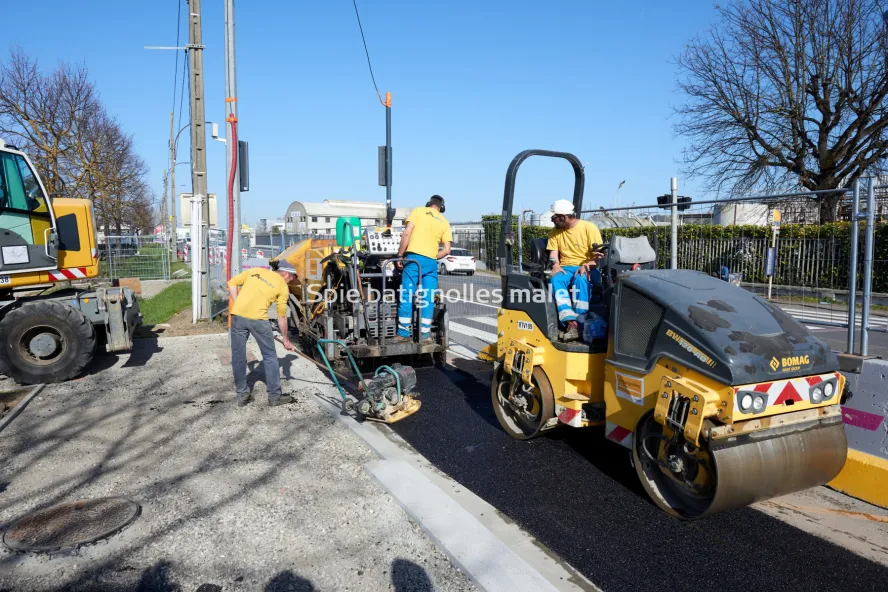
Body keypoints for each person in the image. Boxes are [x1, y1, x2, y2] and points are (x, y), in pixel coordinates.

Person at [227, 261, 298, 407]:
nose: (291, 281)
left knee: (238, 357)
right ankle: (274, 397)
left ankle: (242, 396)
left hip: (237, 317)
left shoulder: (256, 271)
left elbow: (232, 283)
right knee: (270, 357)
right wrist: (286, 340)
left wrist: (237, 302)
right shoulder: (282, 286)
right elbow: (282, 316)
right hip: (258, 320)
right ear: (285, 274)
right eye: (292, 278)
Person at [394, 195, 453, 343]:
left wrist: (400, 255)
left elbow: (407, 233)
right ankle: (425, 335)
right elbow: (447, 250)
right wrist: (432, 256)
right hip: (431, 262)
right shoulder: (444, 222)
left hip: (413, 259)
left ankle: (403, 333)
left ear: (429, 204)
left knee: (407, 294)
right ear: (441, 208)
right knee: (428, 297)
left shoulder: (418, 211)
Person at [546, 199, 604, 342]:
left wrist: (587, 265)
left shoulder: (589, 228)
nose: (552, 220)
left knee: (581, 279)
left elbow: (599, 256)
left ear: (564, 217)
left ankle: (581, 321)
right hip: (566, 268)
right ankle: (571, 323)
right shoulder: (555, 232)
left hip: (587, 266)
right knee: (555, 279)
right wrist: (556, 265)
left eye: (554, 217)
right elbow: (553, 254)